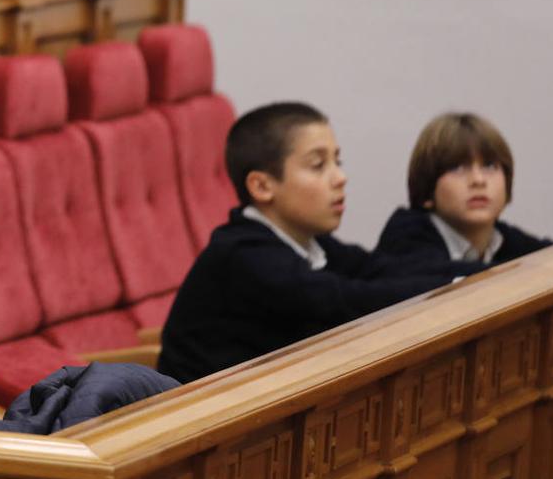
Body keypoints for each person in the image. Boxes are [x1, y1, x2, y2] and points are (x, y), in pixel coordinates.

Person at [156, 102, 466, 385]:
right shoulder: (242, 255)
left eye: (337, 161)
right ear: (262, 186)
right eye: (318, 165)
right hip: (197, 426)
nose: (340, 177)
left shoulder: (310, 242)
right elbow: (340, 300)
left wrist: (485, 273)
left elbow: (378, 268)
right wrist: (454, 286)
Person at [375, 112, 553, 271]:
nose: (478, 180)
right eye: (457, 168)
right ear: (427, 188)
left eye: (489, 166)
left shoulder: (501, 236)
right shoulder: (405, 237)